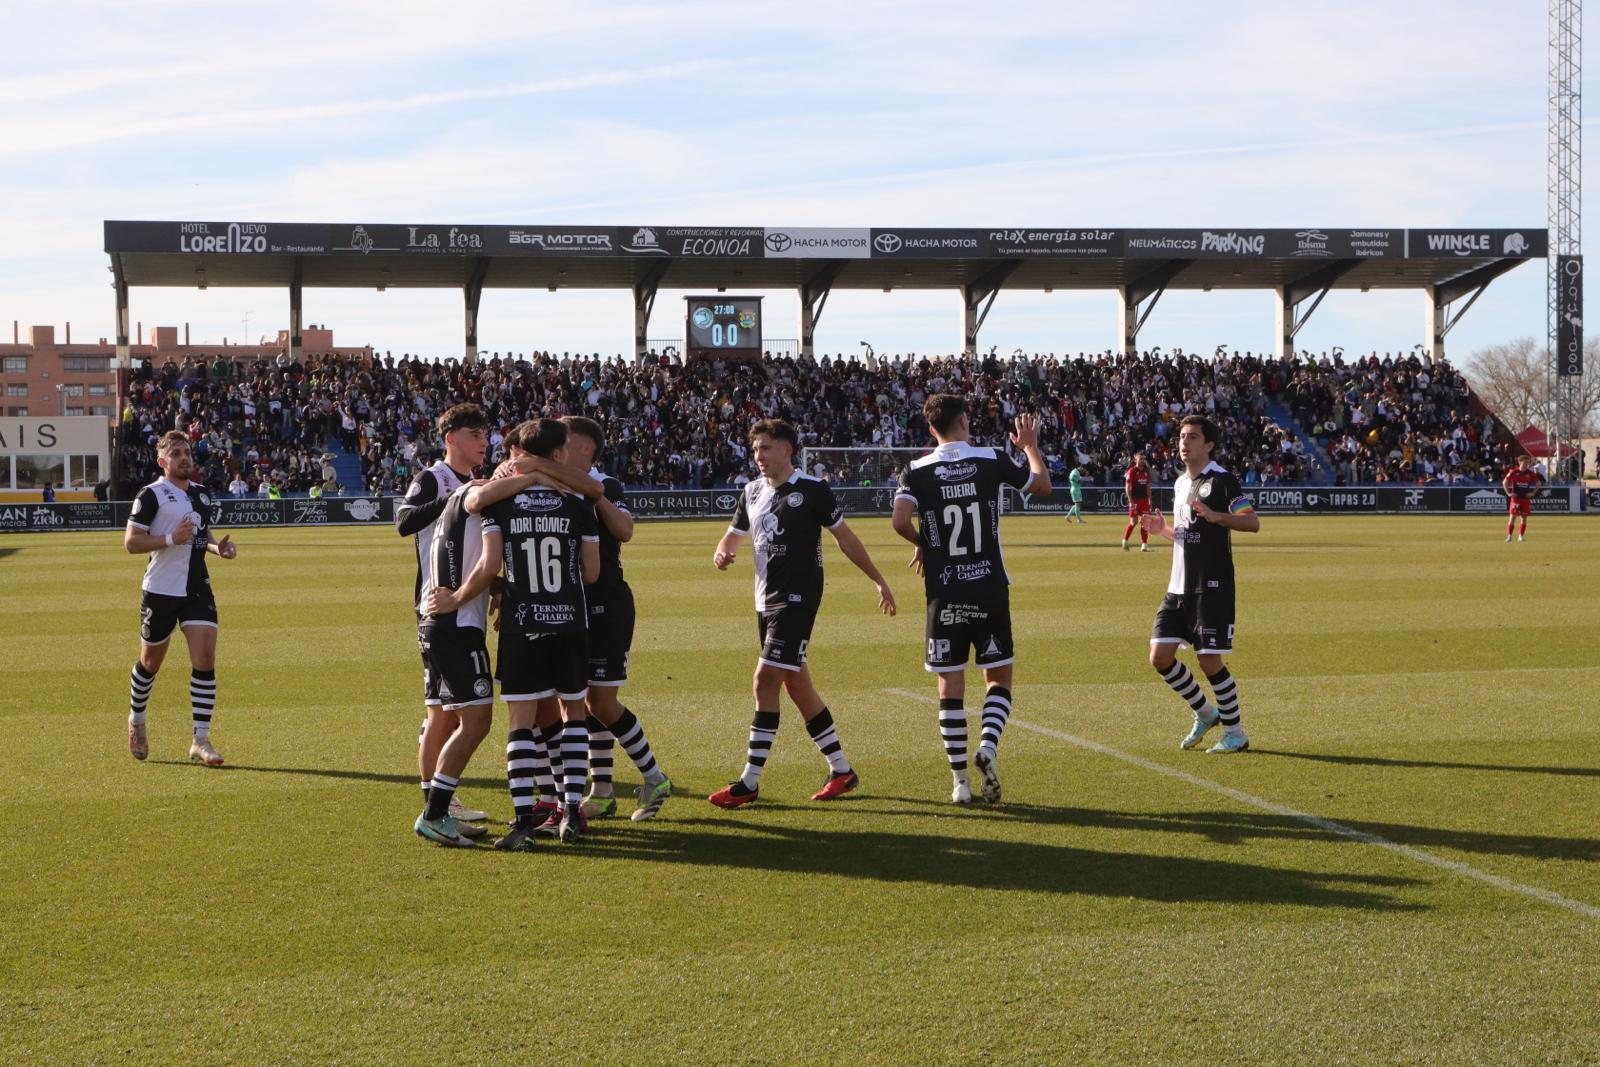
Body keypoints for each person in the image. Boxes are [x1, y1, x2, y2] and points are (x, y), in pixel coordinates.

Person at [708, 418, 897, 809]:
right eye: (755, 449)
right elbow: (733, 535)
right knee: (797, 686)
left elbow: (846, 538)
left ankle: (749, 782)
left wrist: (878, 580)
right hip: (765, 601)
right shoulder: (751, 491)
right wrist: (722, 552)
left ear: (787, 449)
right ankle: (841, 770)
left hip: (797, 600)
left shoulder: (812, 490)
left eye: (766, 448)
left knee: (764, 682)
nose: (758, 456)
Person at [890, 396, 1050, 803]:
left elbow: (899, 521)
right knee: (998, 677)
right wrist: (1030, 447)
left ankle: (960, 782)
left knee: (950, 684)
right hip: (989, 586)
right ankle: (988, 746)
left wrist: (926, 544)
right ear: (964, 421)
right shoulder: (991, 458)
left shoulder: (916, 470)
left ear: (931, 430)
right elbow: (1042, 486)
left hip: (944, 591)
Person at [468, 419, 601, 850]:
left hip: (521, 621)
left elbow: (492, 564)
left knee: (520, 724)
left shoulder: (500, 504)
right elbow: (592, 573)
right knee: (574, 715)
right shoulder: (579, 504)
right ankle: (572, 811)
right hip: (570, 620)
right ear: (559, 454)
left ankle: (524, 823)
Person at [557, 416, 674, 822]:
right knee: (583, 701)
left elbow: (625, 530)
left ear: (586, 448)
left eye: (565, 440)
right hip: (570, 607)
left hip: (607, 605)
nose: (557, 446)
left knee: (601, 701)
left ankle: (655, 777)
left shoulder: (607, 484)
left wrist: (597, 495)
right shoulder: (552, 483)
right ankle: (602, 791)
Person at [395, 403, 491, 827]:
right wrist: (453, 497)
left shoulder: (476, 481)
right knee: (441, 711)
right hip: (437, 606)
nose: (484, 442)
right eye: (475, 435)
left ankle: (440, 799)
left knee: (445, 710)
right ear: (451, 438)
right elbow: (403, 522)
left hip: (463, 606)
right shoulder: (434, 477)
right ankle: (435, 803)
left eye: (485, 434)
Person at [1140, 415, 1259, 754]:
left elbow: (1252, 522)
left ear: (1209, 444)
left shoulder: (1223, 481)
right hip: (1178, 587)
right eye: (1181, 436)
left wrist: (1217, 516)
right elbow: (1187, 535)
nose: (1184, 442)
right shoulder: (1180, 484)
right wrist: (1162, 530)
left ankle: (1235, 733)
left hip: (1212, 585)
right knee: (1159, 657)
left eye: (1192, 437)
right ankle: (1206, 713)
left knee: (1209, 662)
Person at [123, 431, 237, 766]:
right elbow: (132, 542)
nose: (184, 457)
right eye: (176, 453)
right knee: (150, 663)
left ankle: (201, 740)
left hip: (197, 587)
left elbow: (201, 534)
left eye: (186, 451)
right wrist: (171, 538)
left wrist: (217, 548)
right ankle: (136, 718)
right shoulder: (151, 495)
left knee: (205, 659)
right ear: (162, 461)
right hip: (160, 589)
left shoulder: (202, 494)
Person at [410, 473, 499, 847]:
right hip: (455, 624)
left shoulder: (464, 493)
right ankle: (434, 814)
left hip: (442, 623)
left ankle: (440, 809)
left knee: (450, 717)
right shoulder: (466, 490)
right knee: (475, 720)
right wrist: (533, 472)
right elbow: (404, 521)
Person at [1502, 455, 1542, 543]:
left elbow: (1539, 483)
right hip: (1516, 499)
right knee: (1512, 517)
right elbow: (1504, 482)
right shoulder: (1514, 472)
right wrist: (1508, 493)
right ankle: (1509, 536)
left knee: (1523, 518)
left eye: (1528, 463)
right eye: (1525, 462)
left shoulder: (1530, 473)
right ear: (1520, 462)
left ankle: (1521, 536)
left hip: (1525, 499)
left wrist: (1533, 493)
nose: (1527, 464)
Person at [1121, 452, 1153, 552]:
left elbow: (1148, 487)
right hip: (1135, 500)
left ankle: (1144, 545)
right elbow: (1127, 488)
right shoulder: (1131, 471)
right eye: (1141, 459)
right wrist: (1131, 501)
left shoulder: (1147, 472)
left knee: (1145, 522)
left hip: (1144, 500)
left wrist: (1150, 499)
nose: (1142, 461)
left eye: (1144, 459)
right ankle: (1125, 540)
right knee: (1133, 522)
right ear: (1136, 460)